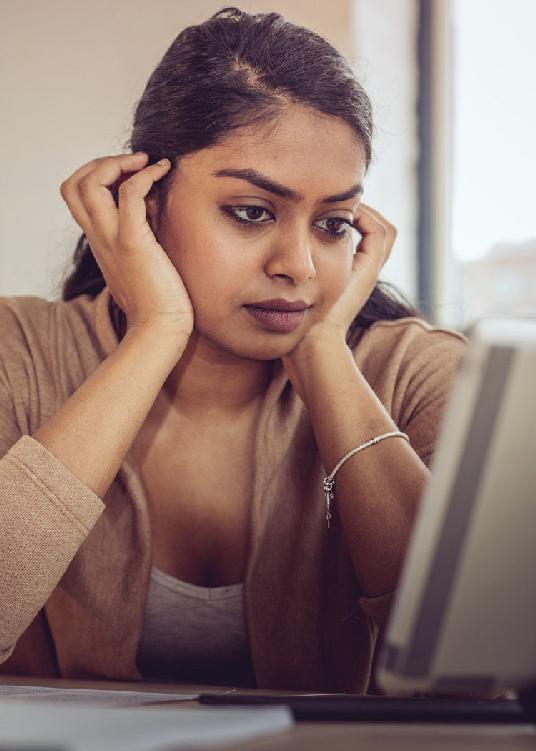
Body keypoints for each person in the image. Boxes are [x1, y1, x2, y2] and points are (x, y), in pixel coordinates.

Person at [0, 7, 466, 692]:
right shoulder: (19, 352)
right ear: (144, 202)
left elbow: (471, 673)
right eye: (251, 211)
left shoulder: (414, 375)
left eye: (334, 223)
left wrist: (325, 358)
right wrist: (155, 331)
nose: (299, 266)